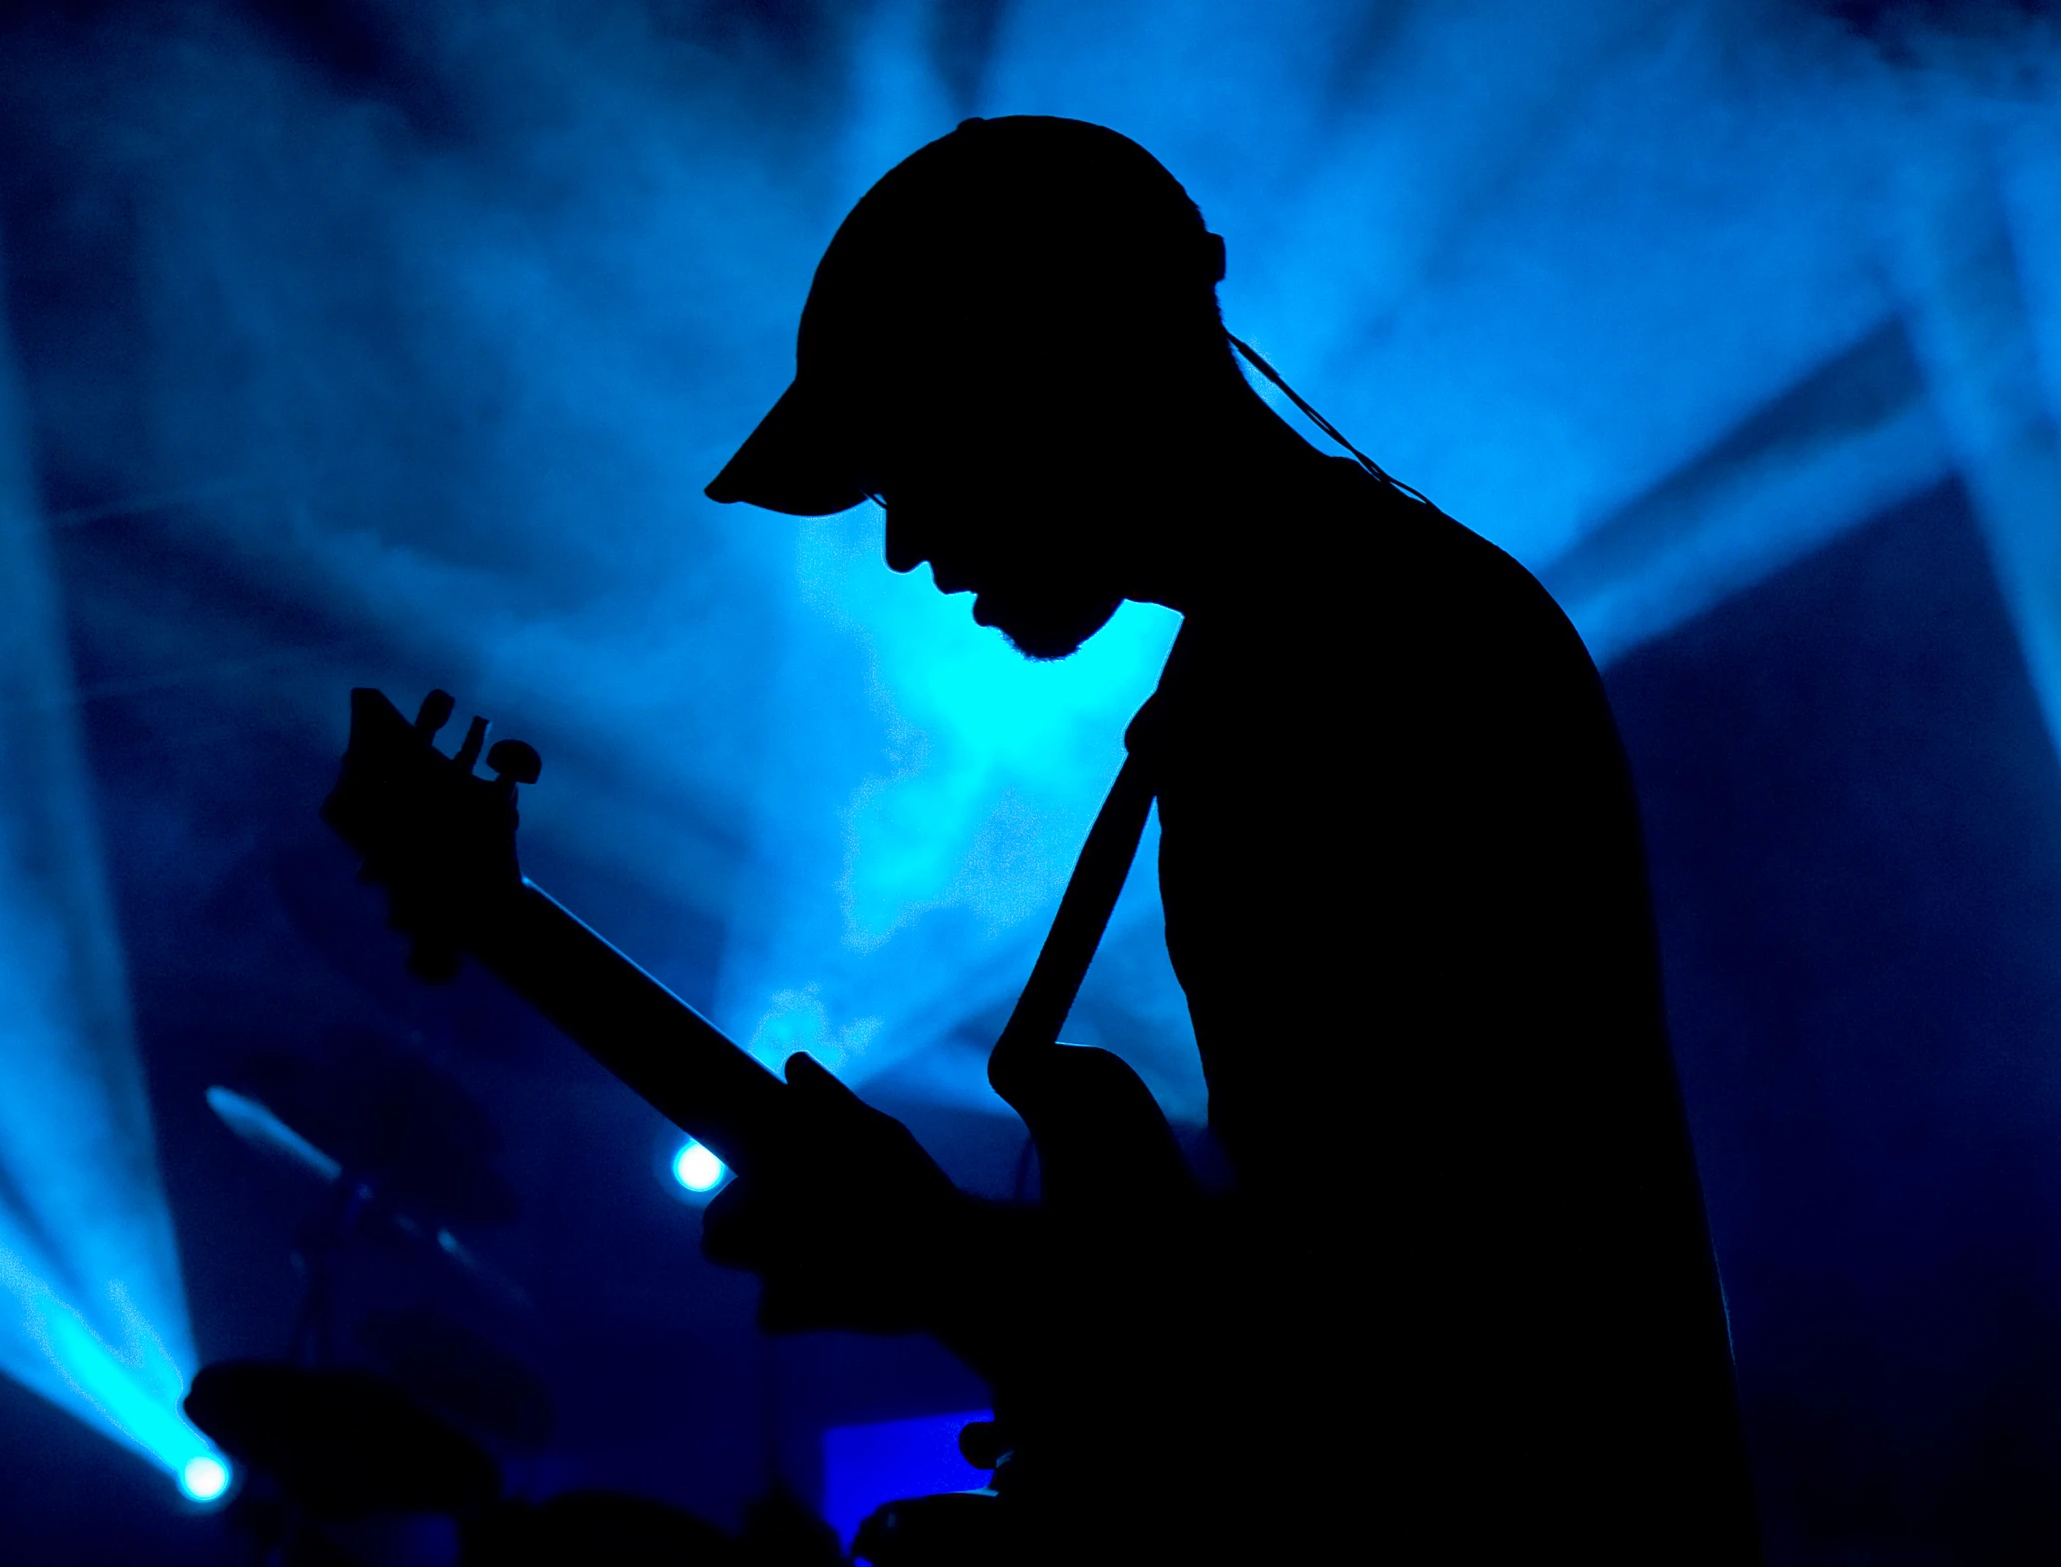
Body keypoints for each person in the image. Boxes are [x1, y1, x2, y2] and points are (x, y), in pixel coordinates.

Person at [698, 116, 1757, 1563]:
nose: (899, 541)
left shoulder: (1348, 661)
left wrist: (941, 1255)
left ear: (1045, 375)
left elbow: (1416, 1314)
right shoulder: (1325, 637)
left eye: (911, 455)